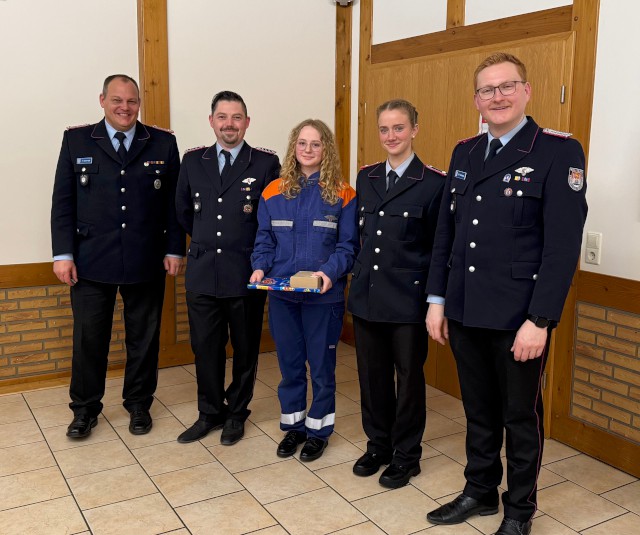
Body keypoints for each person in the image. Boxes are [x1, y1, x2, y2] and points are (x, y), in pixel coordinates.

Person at [425, 53, 587, 535]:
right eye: (487, 90)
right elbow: (447, 236)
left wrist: (540, 319)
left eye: (506, 87)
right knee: (476, 411)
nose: (497, 97)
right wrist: (437, 301)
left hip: (520, 318)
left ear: (526, 91)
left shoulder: (558, 151)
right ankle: (479, 491)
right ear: (476, 99)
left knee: (519, 418)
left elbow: (562, 246)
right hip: (467, 308)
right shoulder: (465, 152)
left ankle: (519, 510)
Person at [51, 74, 184, 439]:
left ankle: (139, 405)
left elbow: (175, 205)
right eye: (117, 100)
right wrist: (63, 254)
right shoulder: (77, 139)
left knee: (144, 338)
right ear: (102, 100)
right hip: (92, 260)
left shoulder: (161, 142)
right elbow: (63, 201)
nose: (125, 108)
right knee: (89, 339)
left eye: (131, 101)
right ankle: (84, 409)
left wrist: (175, 248)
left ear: (139, 103)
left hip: (147, 259)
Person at [347, 99, 445, 488]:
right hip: (368, 296)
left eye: (399, 128)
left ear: (415, 129)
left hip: (407, 301)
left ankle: (407, 455)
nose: (391, 136)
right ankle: (378, 446)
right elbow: (361, 237)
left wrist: (436, 301)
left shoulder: (434, 183)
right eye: (385, 129)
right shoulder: (366, 177)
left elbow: (439, 248)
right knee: (371, 377)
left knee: (407, 380)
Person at [175, 91, 280, 446]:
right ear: (211, 121)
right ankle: (209, 412)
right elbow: (183, 212)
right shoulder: (192, 161)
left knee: (246, 348)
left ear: (247, 123)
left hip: (246, 272)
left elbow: (271, 220)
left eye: (237, 118)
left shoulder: (265, 163)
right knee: (205, 347)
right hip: (203, 271)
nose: (229, 124)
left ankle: (236, 413)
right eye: (222, 117)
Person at [250, 119, 358, 461]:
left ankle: (318, 431)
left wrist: (329, 273)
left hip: (323, 298)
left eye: (315, 144)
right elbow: (264, 239)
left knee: (322, 367)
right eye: (302, 143)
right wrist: (259, 266)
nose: (308, 150)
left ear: (326, 149)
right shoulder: (272, 192)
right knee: (291, 366)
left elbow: (348, 247)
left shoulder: (343, 193)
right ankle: (294, 427)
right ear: (293, 148)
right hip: (282, 296)